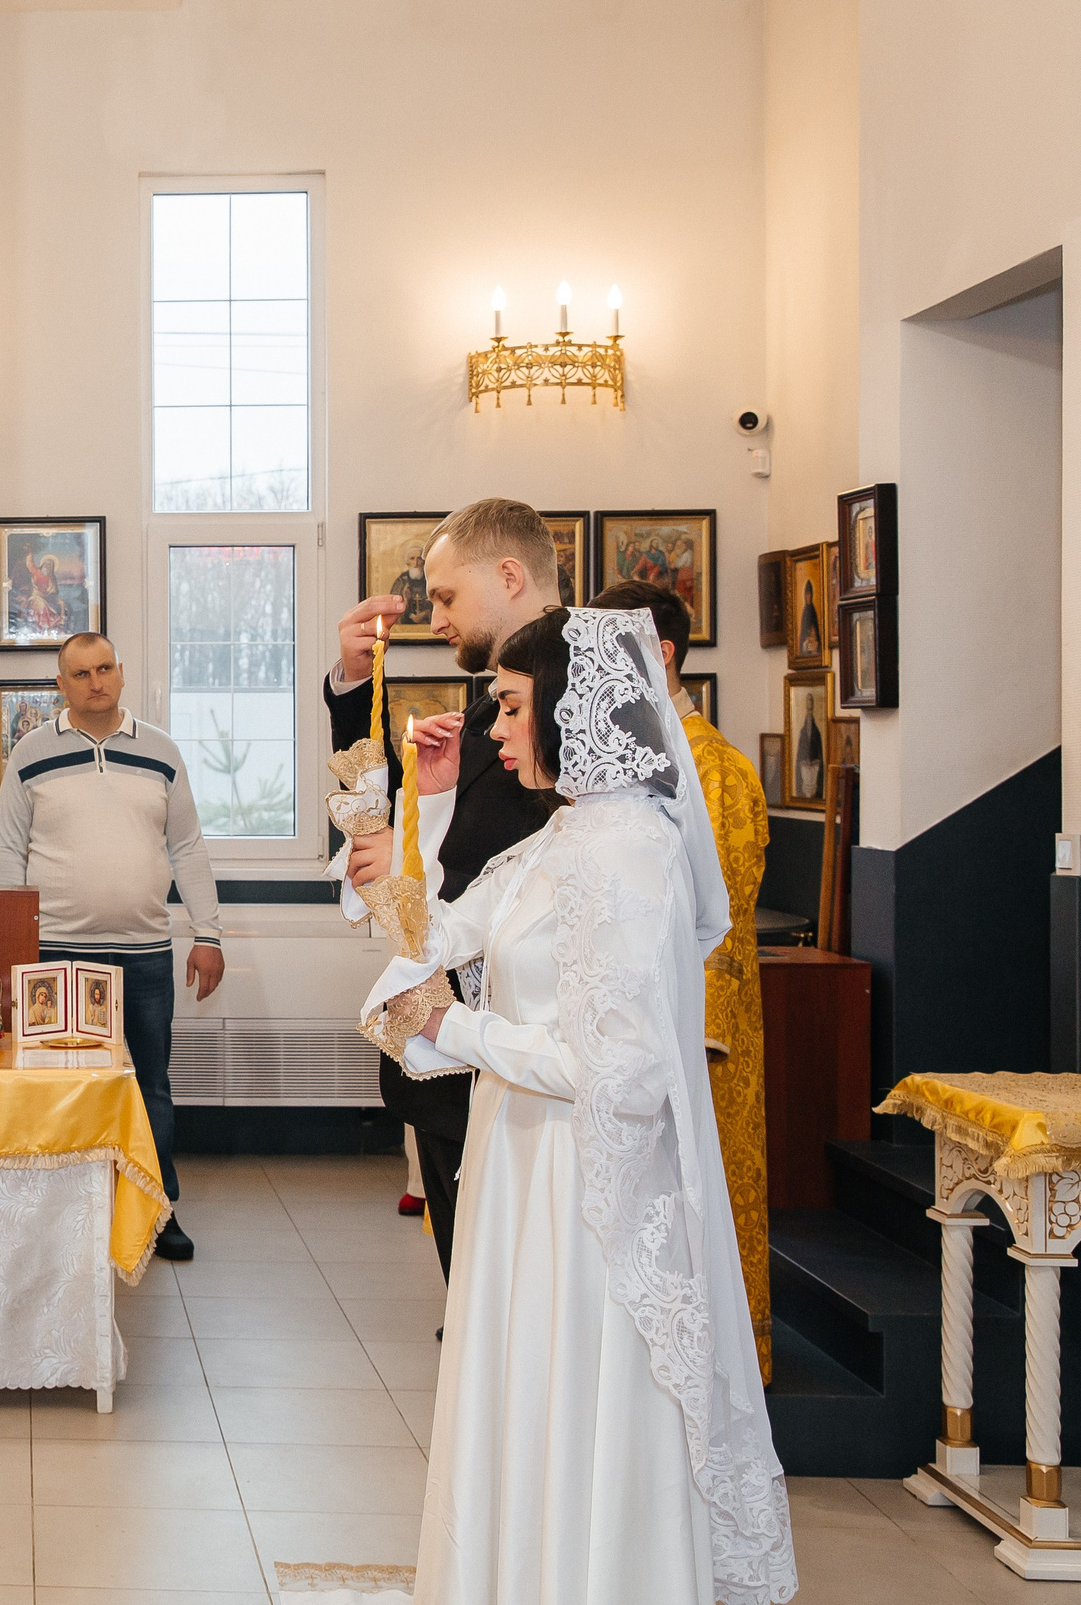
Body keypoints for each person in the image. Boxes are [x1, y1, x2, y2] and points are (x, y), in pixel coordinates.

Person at [364, 606, 795, 1605]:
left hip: (584, 1190)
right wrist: (425, 809)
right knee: (524, 1409)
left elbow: (625, 1074)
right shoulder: (566, 835)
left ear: (569, 704)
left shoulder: (626, 853)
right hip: (526, 1162)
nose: (498, 731)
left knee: (576, 1409)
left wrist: (456, 1031)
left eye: (510, 707)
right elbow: (435, 938)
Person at [329, 498, 564, 1280]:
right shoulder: (482, 717)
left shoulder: (575, 719)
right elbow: (403, 841)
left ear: (509, 575)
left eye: (446, 597)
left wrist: (402, 868)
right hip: (444, 1061)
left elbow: (494, 885)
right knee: (470, 1298)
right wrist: (355, 684)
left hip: (528, 1062)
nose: (435, 618)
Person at [0, 631, 221, 1262]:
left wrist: (208, 934)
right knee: (58, 1087)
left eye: (105, 669)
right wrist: (11, 946)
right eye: (81, 673)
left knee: (151, 1088)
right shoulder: (30, 754)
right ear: (60, 685)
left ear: (121, 673)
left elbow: (189, 848)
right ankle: (62, 1216)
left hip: (145, 953)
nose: (96, 682)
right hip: (56, 956)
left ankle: (159, 1212)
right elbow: (8, 850)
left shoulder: (162, 753)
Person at [594, 581, 772, 1378]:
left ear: (660, 653)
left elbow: (717, 923)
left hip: (698, 1032)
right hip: (637, 1029)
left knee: (707, 1200)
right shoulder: (629, 755)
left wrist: (689, 1032)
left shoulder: (718, 770)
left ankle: (726, 1366)